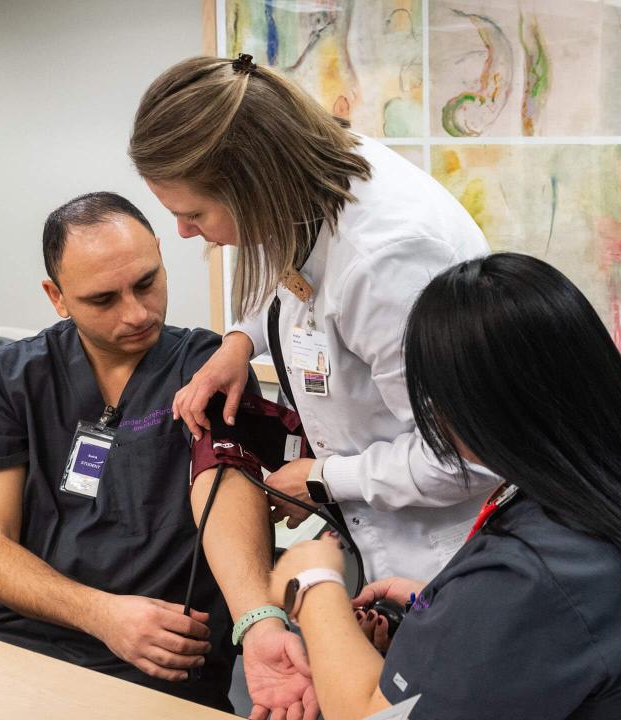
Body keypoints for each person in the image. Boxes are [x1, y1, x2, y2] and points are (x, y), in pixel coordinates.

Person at [129, 54, 498, 718]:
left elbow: (468, 458)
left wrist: (328, 478)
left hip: (441, 543)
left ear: (251, 181)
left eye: (196, 213)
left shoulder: (388, 260)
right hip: (376, 531)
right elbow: (296, 274)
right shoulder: (311, 171)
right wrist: (242, 340)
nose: (184, 233)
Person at [267, 253, 621, 719]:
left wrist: (313, 585)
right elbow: (577, 632)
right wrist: (439, 613)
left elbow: (371, 714)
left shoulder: (531, 572)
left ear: (465, 410)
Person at [0, 192, 253, 711]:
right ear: (57, 297)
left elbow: (228, 506)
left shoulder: (206, 372)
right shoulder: (5, 380)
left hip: (161, 656)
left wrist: (258, 619)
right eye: (103, 300)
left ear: (160, 253)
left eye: (147, 283)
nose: (136, 314)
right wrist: (103, 615)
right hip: (24, 643)